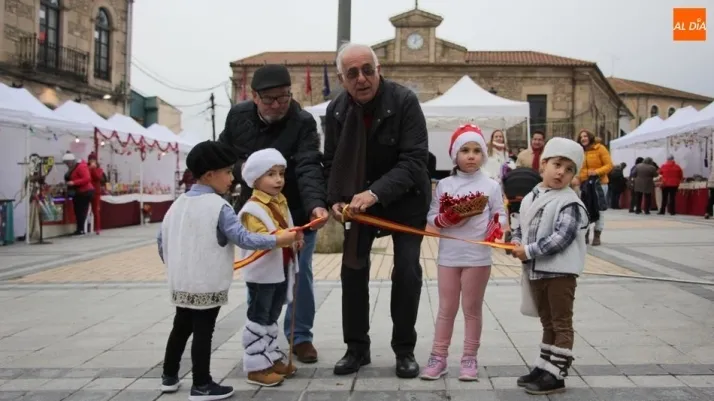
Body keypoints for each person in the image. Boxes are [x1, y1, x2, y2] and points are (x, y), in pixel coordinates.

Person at [157, 140, 298, 400]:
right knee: (203, 330)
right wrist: (277, 240)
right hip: (207, 280)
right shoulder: (219, 206)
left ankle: (169, 376)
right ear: (210, 175)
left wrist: (176, 266)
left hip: (180, 281)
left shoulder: (176, 204)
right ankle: (201, 384)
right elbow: (243, 238)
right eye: (227, 172)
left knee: (181, 326)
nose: (232, 178)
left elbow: (161, 241)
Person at [324, 42, 431, 378]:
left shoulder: (404, 101)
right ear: (342, 79)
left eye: (367, 70)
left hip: (406, 199)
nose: (362, 78)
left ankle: (404, 349)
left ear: (378, 70)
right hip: (359, 202)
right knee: (352, 269)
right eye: (352, 73)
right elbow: (332, 161)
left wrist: (374, 193)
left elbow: (414, 160)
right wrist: (335, 199)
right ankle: (357, 348)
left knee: (407, 271)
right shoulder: (336, 110)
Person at [218, 64, 328, 364]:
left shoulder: (303, 121)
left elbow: (308, 164)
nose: (278, 105)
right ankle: (261, 336)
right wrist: (241, 171)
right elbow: (223, 156)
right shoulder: (237, 116)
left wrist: (316, 204)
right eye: (269, 99)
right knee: (259, 274)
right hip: (255, 213)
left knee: (299, 273)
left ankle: (300, 336)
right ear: (254, 97)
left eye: (284, 97)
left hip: (295, 210)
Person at [419, 125, 506, 381]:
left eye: (477, 151)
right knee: (446, 309)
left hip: (478, 258)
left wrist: (495, 227)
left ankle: (469, 358)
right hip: (448, 257)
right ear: (455, 155)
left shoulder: (491, 186)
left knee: (472, 309)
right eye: (465, 150)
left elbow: (501, 216)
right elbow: (432, 216)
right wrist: (445, 219)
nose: (471, 156)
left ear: (484, 155)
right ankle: (438, 357)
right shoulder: (444, 185)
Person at [510, 137, 589, 396]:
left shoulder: (569, 202)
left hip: (560, 273)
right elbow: (519, 225)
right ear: (543, 164)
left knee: (561, 323)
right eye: (557, 164)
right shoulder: (530, 197)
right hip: (537, 271)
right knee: (547, 322)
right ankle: (544, 366)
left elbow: (562, 237)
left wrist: (528, 251)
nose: (561, 172)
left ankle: (557, 374)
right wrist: (515, 242)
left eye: (569, 169)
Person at [236, 148, 303, 387]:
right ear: (255, 179)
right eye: (271, 174)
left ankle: (270, 356)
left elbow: (287, 230)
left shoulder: (280, 201)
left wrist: (295, 240)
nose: (278, 179)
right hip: (262, 274)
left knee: (272, 315)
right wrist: (284, 238)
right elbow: (259, 239)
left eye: (281, 174)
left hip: (280, 270)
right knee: (259, 316)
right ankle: (256, 367)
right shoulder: (252, 209)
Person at [577, 129, 613, 246]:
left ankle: (597, 235)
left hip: (599, 184)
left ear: (590, 137)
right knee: (584, 210)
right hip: (585, 184)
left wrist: (596, 172)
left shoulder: (600, 148)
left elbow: (609, 165)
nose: (583, 138)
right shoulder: (579, 151)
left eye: (585, 136)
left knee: (599, 210)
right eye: (581, 137)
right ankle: (585, 234)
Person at [62, 152, 94, 236]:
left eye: (68, 163)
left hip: (85, 192)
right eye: (66, 163)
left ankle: (81, 229)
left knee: (81, 211)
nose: (67, 165)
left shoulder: (80, 167)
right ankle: (80, 229)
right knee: (78, 211)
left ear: (71, 161)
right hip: (79, 192)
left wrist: (74, 182)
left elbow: (87, 178)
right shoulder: (73, 167)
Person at [87, 153, 105, 234]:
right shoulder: (86, 168)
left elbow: (97, 177)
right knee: (85, 210)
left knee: (95, 210)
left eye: (93, 160)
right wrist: (89, 168)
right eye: (90, 160)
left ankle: (97, 228)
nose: (92, 161)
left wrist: (93, 169)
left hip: (96, 192)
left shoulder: (99, 170)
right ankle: (84, 228)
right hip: (87, 191)